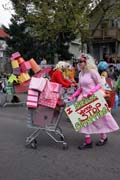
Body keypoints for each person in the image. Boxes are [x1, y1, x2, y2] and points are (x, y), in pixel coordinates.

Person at [68, 53, 119, 150]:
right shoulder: (80, 73)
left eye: (81, 62)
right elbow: (80, 88)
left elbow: (100, 84)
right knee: (83, 120)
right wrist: (73, 96)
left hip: (94, 97)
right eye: (78, 62)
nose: (79, 63)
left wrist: (91, 92)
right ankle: (88, 142)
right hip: (83, 98)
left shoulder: (92, 72)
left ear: (86, 62)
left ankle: (104, 137)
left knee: (99, 118)